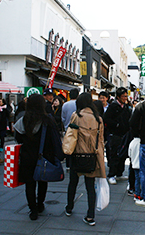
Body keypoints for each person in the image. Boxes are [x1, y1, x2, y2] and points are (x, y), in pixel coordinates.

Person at [14, 94, 61, 220]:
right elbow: (53, 140)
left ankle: (32, 210)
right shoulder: (48, 120)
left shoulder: (23, 120)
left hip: (27, 157)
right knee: (42, 181)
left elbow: (18, 139)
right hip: (44, 157)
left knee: (29, 184)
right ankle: (40, 204)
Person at [63, 93, 106, 226]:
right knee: (90, 186)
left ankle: (69, 208)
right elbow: (100, 141)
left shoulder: (76, 116)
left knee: (73, 183)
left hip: (77, 155)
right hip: (92, 156)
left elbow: (70, 135)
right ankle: (90, 216)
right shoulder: (98, 119)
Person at [103, 87, 131, 185]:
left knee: (123, 155)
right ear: (118, 97)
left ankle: (119, 173)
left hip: (124, 134)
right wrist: (116, 125)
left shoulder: (126, 107)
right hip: (115, 134)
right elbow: (106, 118)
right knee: (114, 154)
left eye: (126, 96)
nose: (125, 98)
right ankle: (111, 175)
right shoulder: (113, 106)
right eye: (123, 96)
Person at [61, 88, 79, 171]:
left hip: (67, 128)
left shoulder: (65, 105)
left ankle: (68, 164)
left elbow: (63, 118)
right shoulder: (79, 104)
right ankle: (76, 164)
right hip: (77, 128)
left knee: (68, 146)